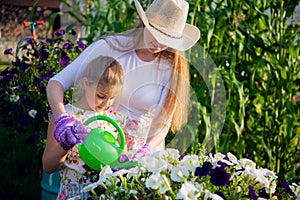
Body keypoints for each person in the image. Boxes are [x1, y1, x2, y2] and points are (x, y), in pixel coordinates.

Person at [46, 0, 200, 162]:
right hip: (105, 148)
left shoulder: (170, 67)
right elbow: (56, 83)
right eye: (156, 34)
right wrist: (62, 118)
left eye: (167, 39)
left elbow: (163, 124)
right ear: (145, 23)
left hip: (145, 156)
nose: (159, 43)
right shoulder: (111, 47)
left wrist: (147, 149)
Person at [42, 56, 125, 199]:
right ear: (86, 83)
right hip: (73, 194)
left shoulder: (114, 120)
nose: (106, 103)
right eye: (101, 96)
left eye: (112, 98)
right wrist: (65, 145)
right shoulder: (64, 117)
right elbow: (48, 166)